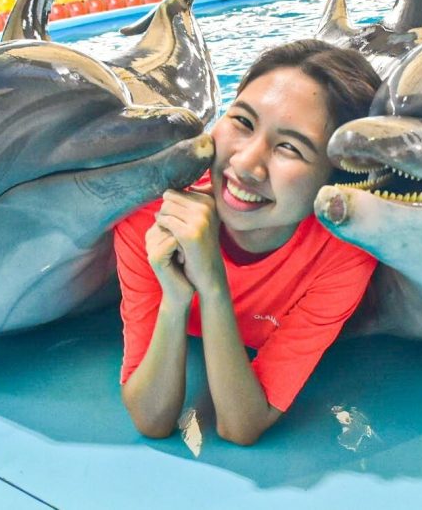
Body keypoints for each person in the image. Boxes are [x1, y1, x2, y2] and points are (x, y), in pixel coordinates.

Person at [114, 39, 382, 446]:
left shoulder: (342, 254)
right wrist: (174, 297)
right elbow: (151, 419)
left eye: (290, 148)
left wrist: (213, 283)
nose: (245, 164)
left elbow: (241, 426)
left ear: (335, 177)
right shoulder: (153, 216)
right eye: (242, 122)